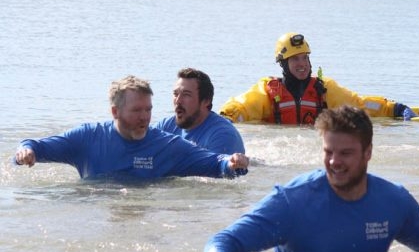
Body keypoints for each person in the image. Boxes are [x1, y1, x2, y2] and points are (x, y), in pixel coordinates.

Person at [204, 105, 419, 252]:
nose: (334, 162)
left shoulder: (393, 200)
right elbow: (222, 242)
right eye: (329, 152)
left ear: (368, 153)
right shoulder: (292, 201)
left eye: (346, 153)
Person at [14, 75, 249, 181]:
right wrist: (26, 152)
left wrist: (232, 163)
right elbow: (36, 146)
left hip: (145, 217)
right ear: (115, 112)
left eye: (148, 110)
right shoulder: (88, 137)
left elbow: (215, 164)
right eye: (137, 110)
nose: (145, 117)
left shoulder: (167, 145)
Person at [219, 32, 417, 125]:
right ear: (282, 63)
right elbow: (243, 107)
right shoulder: (269, 91)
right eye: (295, 59)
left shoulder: (325, 89)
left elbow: (360, 105)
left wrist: (394, 108)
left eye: (305, 57)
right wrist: (226, 119)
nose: (302, 63)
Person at [155, 68, 245, 154]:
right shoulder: (166, 127)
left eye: (186, 95)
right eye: (175, 94)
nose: (178, 100)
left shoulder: (223, 136)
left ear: (206, 101)